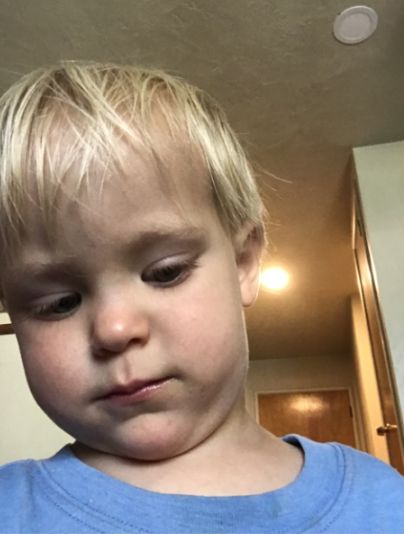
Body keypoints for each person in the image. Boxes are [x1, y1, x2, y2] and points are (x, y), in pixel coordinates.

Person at [0, 61, 402, 534]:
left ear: (243, 262)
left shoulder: (383, 499)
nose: (114, 329)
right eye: (59, 303)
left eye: (165, 273)